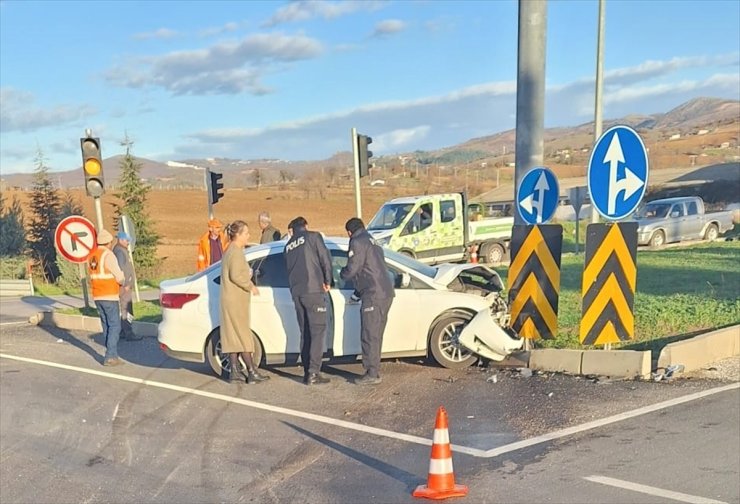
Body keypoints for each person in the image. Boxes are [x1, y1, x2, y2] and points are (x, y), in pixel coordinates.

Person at [340, 218, 395, 385]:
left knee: (369, 333)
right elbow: (371, 269)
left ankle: (372, 373)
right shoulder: (372, 241)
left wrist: (340, 275)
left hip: (373, 294)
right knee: (376, 334)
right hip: (384, 292)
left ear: (349, 232)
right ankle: (374, 369)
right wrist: (358, 291)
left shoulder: (357, 242)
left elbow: (353, 269)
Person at [284, 216, 332, 385]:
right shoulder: (314, 237)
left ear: (293, 229)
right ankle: (313, 373)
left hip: (297, 293)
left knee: (305, 333)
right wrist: (328, 281)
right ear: (305, 225)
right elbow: (325, 259)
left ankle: (307, 370)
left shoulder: (288, 247)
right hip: (313, 291)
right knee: (318, 332)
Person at [220, 220, 269, 385]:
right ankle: (251, 371)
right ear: (238, 235)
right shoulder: (236, 251)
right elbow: (236, 275)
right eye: (246, 233)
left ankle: (234, 372)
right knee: (243, 335)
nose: (249, 236)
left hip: (231, 299)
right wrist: (250, 286)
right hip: (236, 300)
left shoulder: (231, 250)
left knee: (233, 336)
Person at [88, 229, 126, 366]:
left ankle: (111, 352)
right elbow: (119, 276)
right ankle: (110, 356)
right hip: (109, 295)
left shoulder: (93, 256)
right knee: (115, 326)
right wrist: (123, 279)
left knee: (106, 325)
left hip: (97, 295)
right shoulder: (108, 255)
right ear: (109, 242)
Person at [113, 231, 141, 341]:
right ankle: (128, 332)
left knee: (124, 308)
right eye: (126, 240)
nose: (128, 242)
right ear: (120, 240)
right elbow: (120, 269)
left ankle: (123, 331)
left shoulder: (121, 250)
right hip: (124, 287)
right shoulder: (120, 251)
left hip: (125, 286)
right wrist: (125, 284)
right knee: (126, 308)